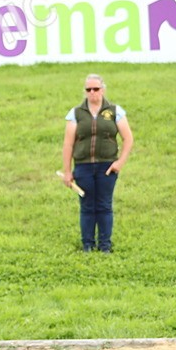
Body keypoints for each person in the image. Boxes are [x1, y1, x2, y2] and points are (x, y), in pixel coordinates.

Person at [61, 74, 134, 252]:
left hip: (107, 167)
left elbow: (128, 139)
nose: (92, 93)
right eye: (89, 89)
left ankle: (104, 245)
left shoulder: (115, 111)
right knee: (87, 206)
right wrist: (67, 171)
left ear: (103, 89)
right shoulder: (76, 113)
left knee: (104, 205)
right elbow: (68, 144)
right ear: (85, 91)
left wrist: (119, 163)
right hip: (83, 167)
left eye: (96, 89)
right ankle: (87, 245)